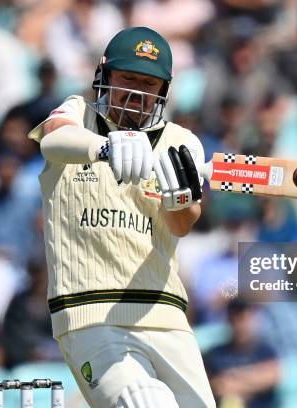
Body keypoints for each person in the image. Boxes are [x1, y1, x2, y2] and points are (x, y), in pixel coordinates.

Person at [28, 27, 214, 407]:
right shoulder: (77, 116)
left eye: (149, 84)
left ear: (163, 91)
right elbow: (52, 140)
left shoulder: (182, 142)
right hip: (89, 314)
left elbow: (183, 224)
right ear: (104, 76)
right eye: (128, 78)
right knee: (144, 401)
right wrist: (105, 147)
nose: (137, 92)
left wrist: (177, 197)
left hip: (166, 315)